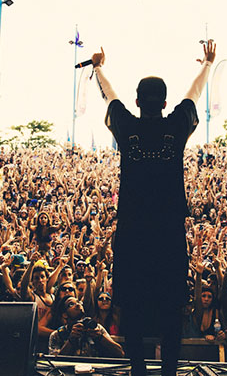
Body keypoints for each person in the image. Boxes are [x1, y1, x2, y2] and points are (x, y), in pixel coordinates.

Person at [91, 40, 216, 376]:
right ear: (164, 102)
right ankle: (169, 372)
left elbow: (109, 96)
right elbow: (194, 94)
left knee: (130, 307)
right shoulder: (175, 126)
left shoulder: (126, 126)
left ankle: (139, 370)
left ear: (136, 101)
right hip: (169, 234)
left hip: (132, 234)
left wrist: (99, 67)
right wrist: (206, 64)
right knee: (172, 309)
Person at [48, 296, 124, 357]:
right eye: (71, 304)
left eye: (79, 302)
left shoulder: (97, 328)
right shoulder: (57, 335)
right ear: (64, 314)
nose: (78, 305)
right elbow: (54, 362)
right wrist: (71, 340)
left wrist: (100, 337)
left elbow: (120, 353)